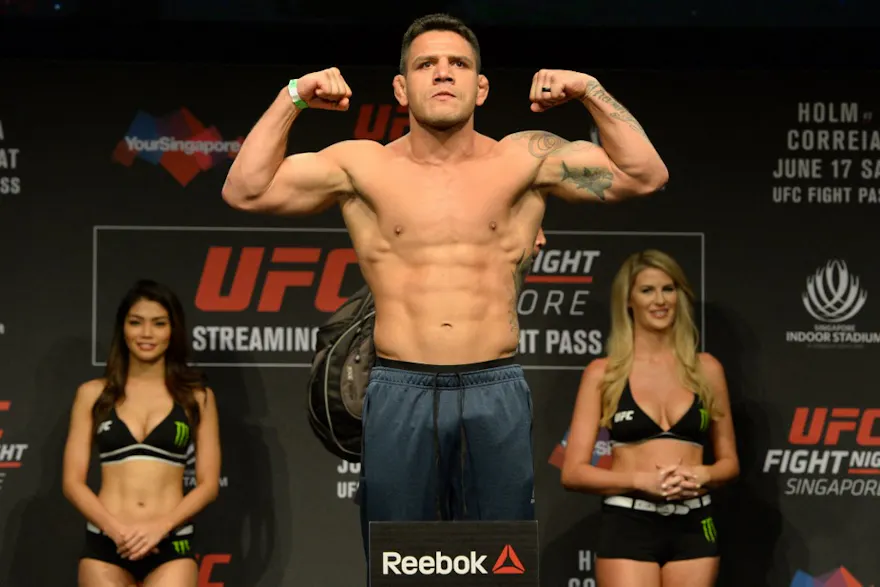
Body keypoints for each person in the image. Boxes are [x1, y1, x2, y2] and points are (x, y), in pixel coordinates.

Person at [222, 12, 668, 556]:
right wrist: (292, 96)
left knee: (499, 565)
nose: (442, 74)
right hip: (398, 390)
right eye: (426, 64)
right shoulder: (361, 167)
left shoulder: (525, 160)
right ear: (401, 88)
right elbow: (244, 191)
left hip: (494, 388)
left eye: (458, 64)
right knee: (399, 566)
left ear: (481, 88)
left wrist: (589, 91)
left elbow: (645, 174)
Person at [560, 250, 739, 587]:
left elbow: (729, 463)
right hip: (628, 522)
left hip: (695, 522)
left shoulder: (707, 369)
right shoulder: (604, 373)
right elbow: (573, 472)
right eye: (647, 290)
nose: (660, 300)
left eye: (668, 289)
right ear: (628, 300)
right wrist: (642, 481)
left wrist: (702, 473)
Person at [62, 279, 221, 586]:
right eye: (136, 323)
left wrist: (160, 527)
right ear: (123, 329)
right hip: (107, 541)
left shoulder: (196, 398)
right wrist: (115, 529)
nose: (146, 334)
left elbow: (208, 484)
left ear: (172, 330)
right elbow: (72, 481)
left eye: (158, 324)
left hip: (170, 542)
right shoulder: (93, 394)